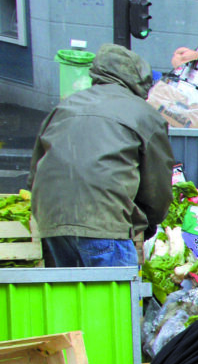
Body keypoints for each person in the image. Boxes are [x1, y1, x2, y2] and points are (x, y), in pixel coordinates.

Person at [29, 43, 174, 267]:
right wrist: (150, 222)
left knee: (73, 289)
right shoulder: (143, 114)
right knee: (116, 290)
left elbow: (35, 172)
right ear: (140, 80)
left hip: (52, 222)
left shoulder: (65, 107)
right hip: (103, 221)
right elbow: (157, 184)